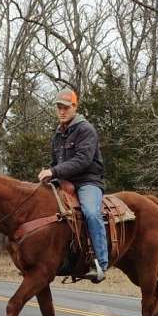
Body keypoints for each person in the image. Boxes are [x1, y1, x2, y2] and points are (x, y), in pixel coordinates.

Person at [38, 88, 108, 282]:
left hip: (87, 181)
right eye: (59, 107)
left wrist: (54, 172)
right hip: (64, 182)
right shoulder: (57, 135)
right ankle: (61, 259)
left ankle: (101, 264)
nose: (62, 111)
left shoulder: (86, 130)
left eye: (66, 108)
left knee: (91, 213)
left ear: (75, 107)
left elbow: (82, 161)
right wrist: (49, 175)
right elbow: (56, 163)